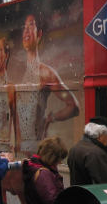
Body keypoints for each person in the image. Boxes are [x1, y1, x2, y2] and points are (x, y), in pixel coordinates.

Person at [16, 13, 80, 153]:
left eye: (31, 25)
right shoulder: (19, 72)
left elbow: (73, 107)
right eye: (24, 27)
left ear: (39, 35)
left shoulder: (47, 73)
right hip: (20, 152)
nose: (26, 30)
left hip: (37, 150)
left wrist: (50, 119)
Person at [0, 37, 16, 152]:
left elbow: (15, 123)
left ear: (6, 55)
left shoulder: (11, 87)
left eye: (0, 50)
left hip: (4, 148)